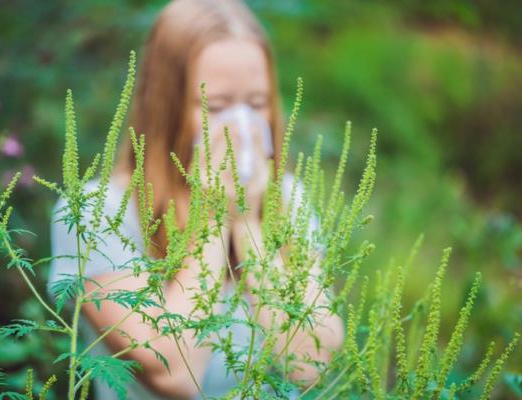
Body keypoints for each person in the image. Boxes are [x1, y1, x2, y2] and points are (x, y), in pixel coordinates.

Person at [49, 0, 344, 398]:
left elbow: (309, 365)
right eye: (217, 107)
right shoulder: (96, 213)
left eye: (256, 104)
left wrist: (248, 223)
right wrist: (214, 217)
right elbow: (174, 373)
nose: (240, 126)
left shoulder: (290, 199)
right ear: (165, 107)